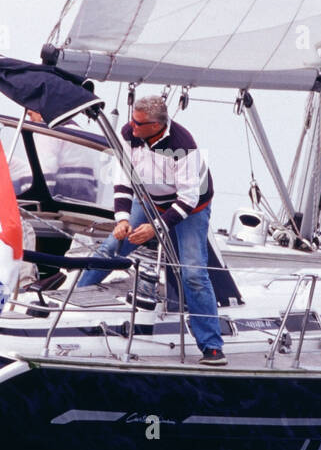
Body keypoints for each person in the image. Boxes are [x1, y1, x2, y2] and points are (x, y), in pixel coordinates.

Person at [79, 95, 225, 365]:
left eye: (138, 123)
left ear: (157, 125)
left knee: (193, 273)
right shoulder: (129, 134)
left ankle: (211, 346)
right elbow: (124, 180)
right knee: (110, 248)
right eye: (132, 120)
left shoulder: (182, 146)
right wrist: (122, 219)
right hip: (148, 200)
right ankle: (71, 307)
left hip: (191, 208)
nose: (131, 126)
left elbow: (188, 198)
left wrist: (155, 229)